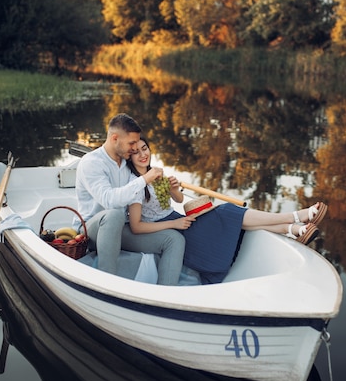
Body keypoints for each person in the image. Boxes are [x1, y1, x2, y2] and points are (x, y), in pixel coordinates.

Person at [126, 138, 328, 284]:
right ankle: (293, 220)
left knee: (225, 215)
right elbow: (136, 227)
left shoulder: (158, 175)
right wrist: (174, 224)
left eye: (145, 148)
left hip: (178, 220)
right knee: (226, 214)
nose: (143, 154)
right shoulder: (135, 186)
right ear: (130, 157)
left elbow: (177, 200)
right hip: (165, 231)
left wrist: (174, 190)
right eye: (136, 152)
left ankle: (290, 227)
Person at [74, 114, 185, 285]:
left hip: (122, 228)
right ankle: (107, 286)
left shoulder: (127, 162)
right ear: (115, 138)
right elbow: (109, 200)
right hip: (91, 230)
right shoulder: (91, 163)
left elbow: (142, 189)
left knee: (174, 239)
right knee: (114, 215)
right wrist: (145, 179)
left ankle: (166, 295)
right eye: (131, 143)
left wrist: (169, 187)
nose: (134, 149)